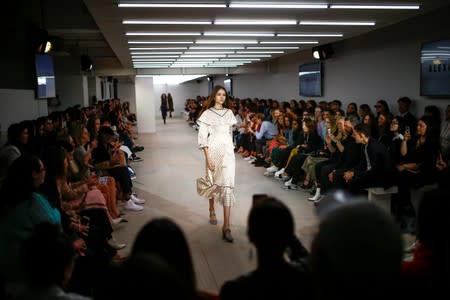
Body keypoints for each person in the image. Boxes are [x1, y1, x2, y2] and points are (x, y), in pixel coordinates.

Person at [220, 196, 312, 300]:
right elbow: (302, 254)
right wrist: (285, 231)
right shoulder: (304, 274)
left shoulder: (235, 290)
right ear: (289, 235)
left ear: (250, 236)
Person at [196, 85, 237, 243]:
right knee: (213, 183)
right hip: (213, 151)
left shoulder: (229, 113)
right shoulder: (206, 114)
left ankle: (226, 226)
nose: (221, 97)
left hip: (228, 153)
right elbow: (202, 137)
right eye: (219, 94)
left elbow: (229, 133)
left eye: (224, 95)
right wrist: (207, 157)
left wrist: (231, 149)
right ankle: (211, 209)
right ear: (214, 96)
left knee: (228, 185)